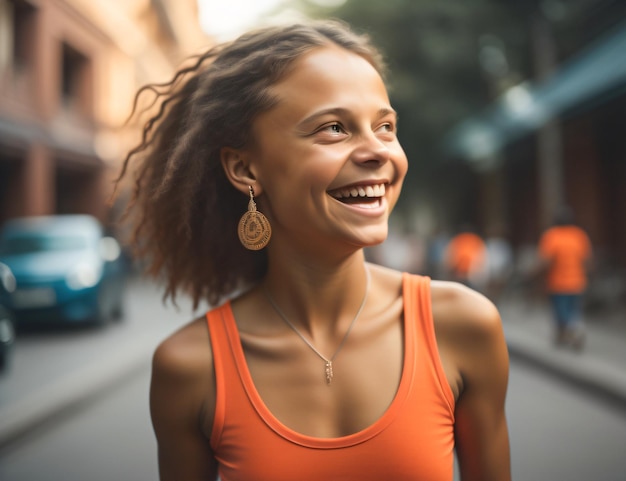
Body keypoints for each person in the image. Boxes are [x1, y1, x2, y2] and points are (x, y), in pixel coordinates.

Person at [115, 20, 511, 481]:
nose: (377, 151)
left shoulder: (464, 325)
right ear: (244, 168)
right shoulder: (190, 367)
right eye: (334, 128)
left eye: (385, 126)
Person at [538, 206, 592, 349]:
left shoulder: (552, 236)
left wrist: (538, 277)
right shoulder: (579, 235)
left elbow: (546, 261)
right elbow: (587, 260)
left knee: (562, 312)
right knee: (574, 310)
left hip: (558, 283)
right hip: (578, 281)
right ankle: (566, 334)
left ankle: (572, 332)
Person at [443, 225, 488, 292]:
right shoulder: (476, 240)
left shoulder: (458, 239)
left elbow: (449, 258)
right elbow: (481, 259)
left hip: (460, 275)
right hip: (470, 275)